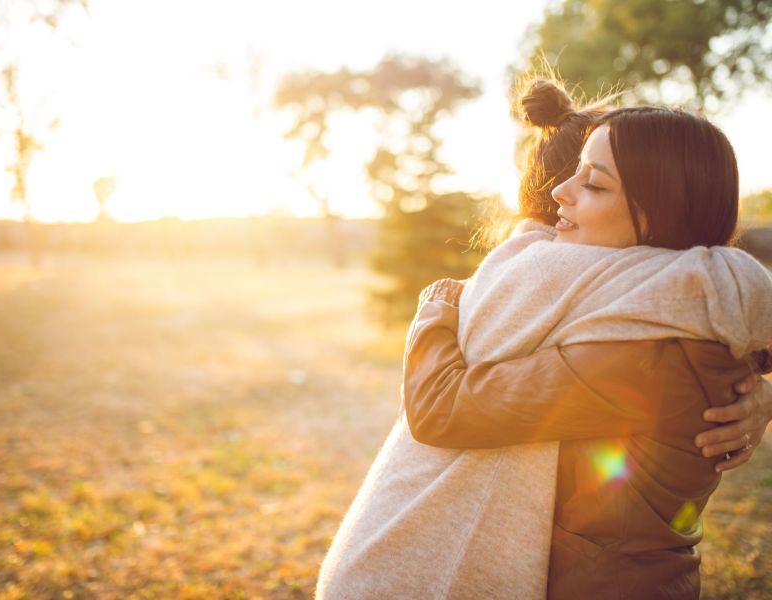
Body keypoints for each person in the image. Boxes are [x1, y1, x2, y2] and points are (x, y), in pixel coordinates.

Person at [316, 80, 772, 600]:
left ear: (663, 214)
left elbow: (442, 409)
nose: (561, 193)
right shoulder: (688, 312)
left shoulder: (648, 358)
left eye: (595, 185)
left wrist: (440, 303)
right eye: (573, 172)